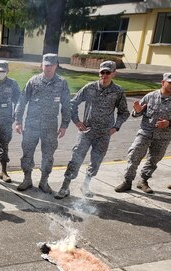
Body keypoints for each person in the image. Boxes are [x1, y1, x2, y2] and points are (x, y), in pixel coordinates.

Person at [55, 61, 129, 199]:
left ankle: (86, 186)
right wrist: (77, 122)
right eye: (102, 72)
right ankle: (65, 187)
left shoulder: (118, 91)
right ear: (99, 73)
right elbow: (72, 103)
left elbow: (124, 112)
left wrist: (115, 127)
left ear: (114, 73)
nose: (105, 75)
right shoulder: (89, 88)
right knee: (76, 158)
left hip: (104, 134)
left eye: (108, 72)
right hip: (86, 132)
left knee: (96, 161)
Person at [15, 53, 71, 193]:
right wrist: (18, 121)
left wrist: (64, 125)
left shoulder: (62, 83)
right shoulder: (33, 81)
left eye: (51, 65)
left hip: (50, 127)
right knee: (27, 153)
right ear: (42, 65)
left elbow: (66, 105)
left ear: (56, 66)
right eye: (46, 65)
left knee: (48, 156)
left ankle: (44, 181)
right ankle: (27, 179)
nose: (48, 68)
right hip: (31, 126)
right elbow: (22, 101)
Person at [115, 72, 171, 194]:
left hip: (163, 137)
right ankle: (127, 181)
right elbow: (137, 113)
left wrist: (169, 123)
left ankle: (143, 181)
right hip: (145, 133)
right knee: (134, 155)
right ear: (163, 83)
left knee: (153, 160)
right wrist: (137, 111)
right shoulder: (150, 96)